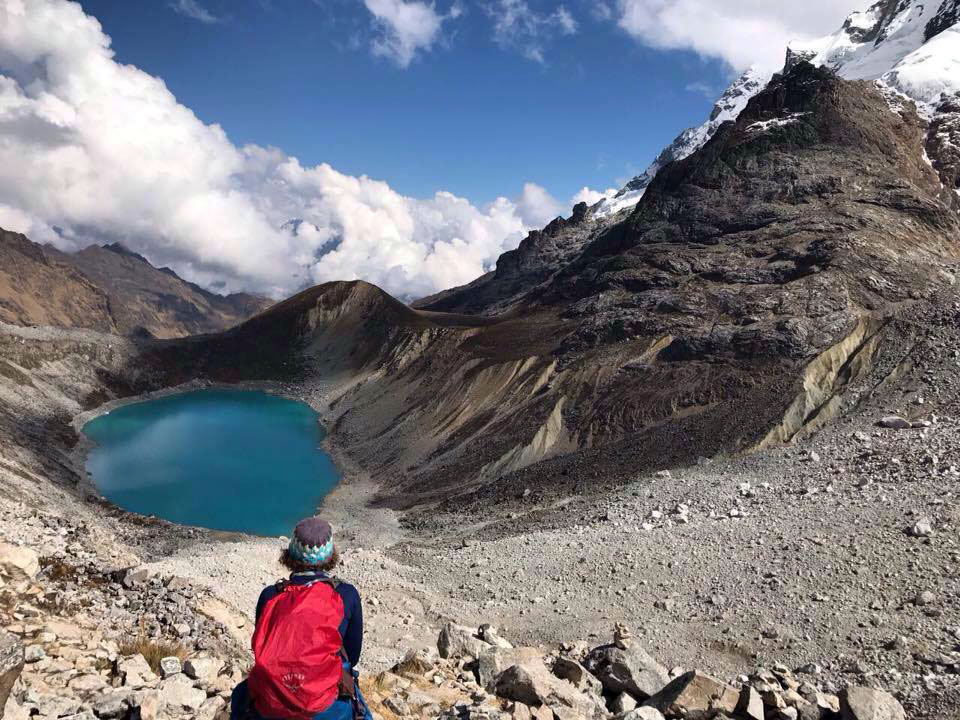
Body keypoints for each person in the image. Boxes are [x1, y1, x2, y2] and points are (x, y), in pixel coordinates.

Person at [231, 518, 370, 720]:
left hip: (273, 700)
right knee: (362, 711)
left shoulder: (270, 595)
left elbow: (262, 645)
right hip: (327, 703)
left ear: (290, 553)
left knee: (240, 697)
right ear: (330, 554)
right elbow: (352, 656)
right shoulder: (346, 595)